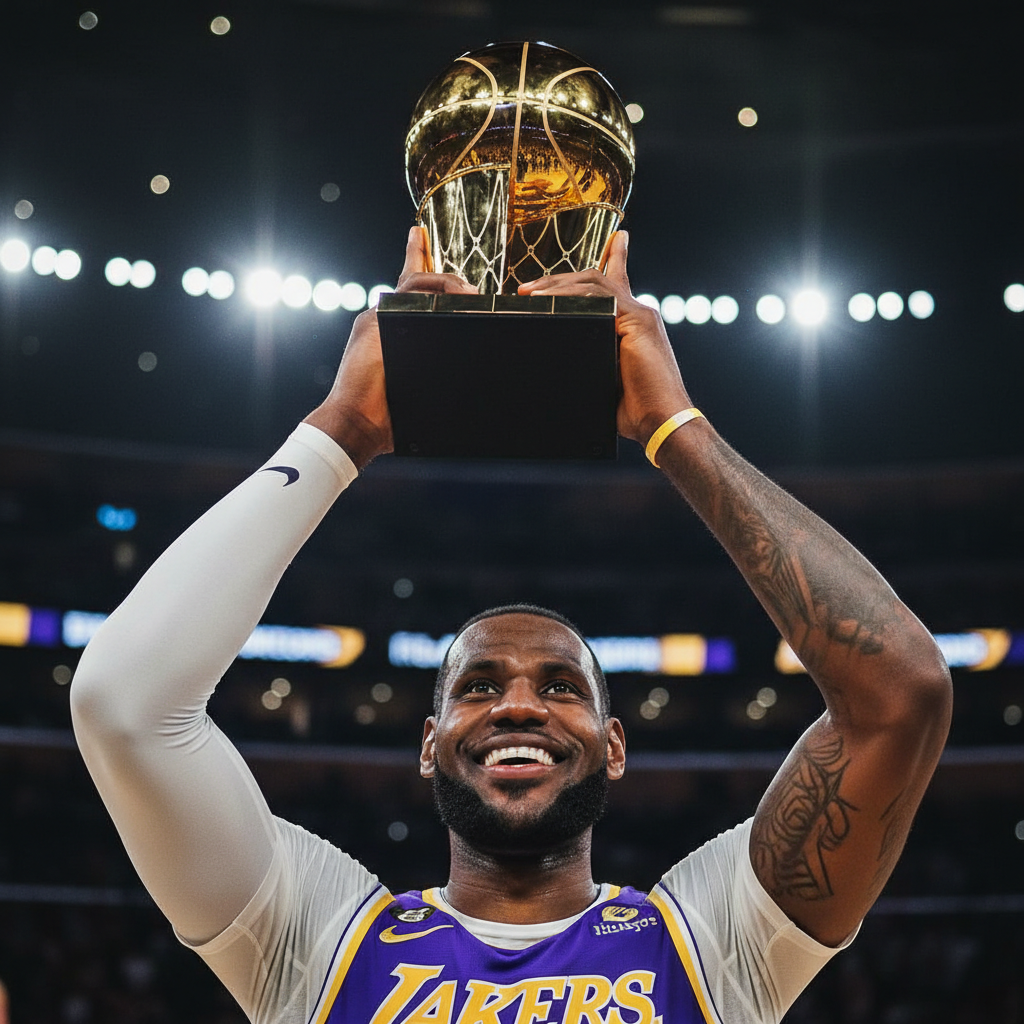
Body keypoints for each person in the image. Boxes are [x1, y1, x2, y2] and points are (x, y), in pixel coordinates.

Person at [71, 228, 952, 1024]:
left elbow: (899, 696)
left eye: (561, 687)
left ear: (613, 745)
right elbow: (122, 702)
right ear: (429, 743)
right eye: (479, 685)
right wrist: (344, 428)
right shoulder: (315, 933)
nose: (518, 706)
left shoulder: (714, 939)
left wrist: (671, 426)